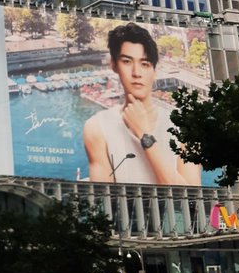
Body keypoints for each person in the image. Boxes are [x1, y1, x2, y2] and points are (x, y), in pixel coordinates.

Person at [83, 23, 201, 185]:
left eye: (144, 64)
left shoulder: (185, 127)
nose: (136, 73)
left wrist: (145, 137)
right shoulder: (97, 128)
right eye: (127, 62)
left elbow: (193, 199)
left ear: (154, 69)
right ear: (114, 66)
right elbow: (103, 201)